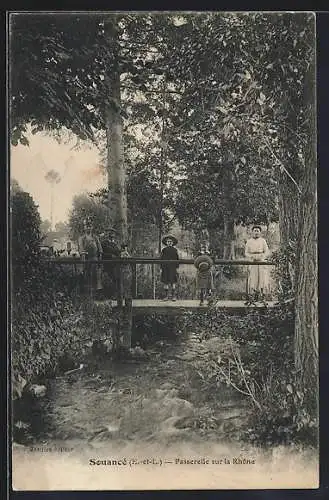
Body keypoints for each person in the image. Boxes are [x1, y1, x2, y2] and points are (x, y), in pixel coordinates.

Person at [78, 219, 103, 298]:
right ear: (84, 228)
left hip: (95, 260)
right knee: (86, 276)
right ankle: (86, 295)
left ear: (92, 227)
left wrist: (100, 260)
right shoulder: (82, 238)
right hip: (86, 260)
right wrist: (83, 256)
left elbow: (100, 249)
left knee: (97, 277)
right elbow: (81, 249)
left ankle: (97, 295)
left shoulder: (95, 238)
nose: (88, 228)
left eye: (90, 226)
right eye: (87, 226)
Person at [245, 225, 270, 302]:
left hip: (261, 260)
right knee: (253, 278)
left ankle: (262, 296)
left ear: (260, 232)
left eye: (257, 231)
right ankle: (253, 296)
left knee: (262, 278)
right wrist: (252, 257)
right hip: (253, 261)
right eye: (255, 231)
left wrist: (262, 256)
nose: (256, 232)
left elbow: (267, 251)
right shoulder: (249, 241)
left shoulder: (263, 241)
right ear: (252, 232)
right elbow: (246, 253)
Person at [100, 227, 121, 300]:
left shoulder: (116, 244)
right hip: (107, 264)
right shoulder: (104, 243)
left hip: (115, 264)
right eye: (110, 233)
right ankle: (106, 296)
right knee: (107, 279)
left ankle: (115, 295)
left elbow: (118, 252)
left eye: (113, 233)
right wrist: (110, 256)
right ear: (107, 234)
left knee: (116, 279)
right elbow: (101, 254)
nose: (112, 234)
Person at [160, 235, 179, 301]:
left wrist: (176, 267)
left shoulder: (175, 250)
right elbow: (161, 259)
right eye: (168, 241)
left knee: (173, 282)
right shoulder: (164, 250)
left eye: (170, 241)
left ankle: (174, 296)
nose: (169, 243)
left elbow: (177, 259)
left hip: (172, 268)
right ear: (166, 242)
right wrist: (161, 267)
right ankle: (166, 296)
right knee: (166, 282)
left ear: (173, 243)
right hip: (165, 268)